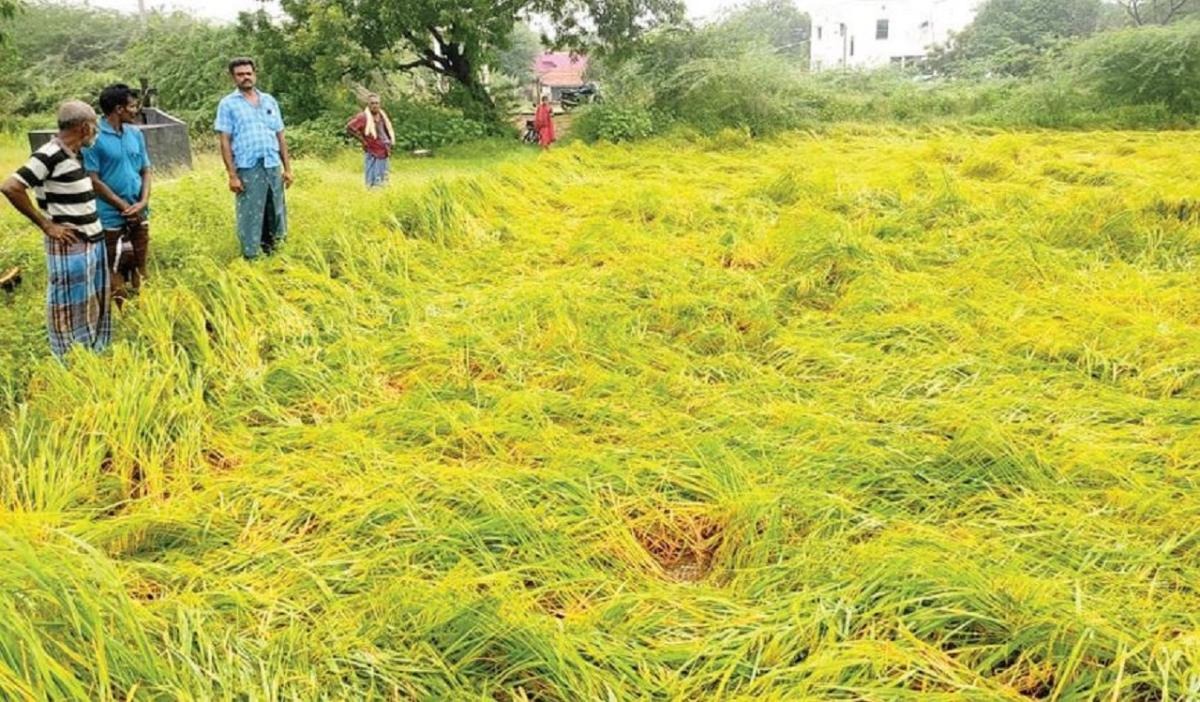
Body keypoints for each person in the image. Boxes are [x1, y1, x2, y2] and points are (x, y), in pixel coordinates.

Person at [0, 101, 110, 358]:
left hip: (91, 240)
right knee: (67, 303)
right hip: (70, 244)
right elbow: (10, 186)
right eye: (94, 126)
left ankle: (90, 353)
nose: (96, 132)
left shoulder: (74, 154)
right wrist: (47, 225)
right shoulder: (48, 154)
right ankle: (67, 357)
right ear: (85, 127)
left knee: (89, 299)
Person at [214, 57, 293, 259]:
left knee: (275, 210)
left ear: (255, 74)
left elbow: (280, 135)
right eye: (240, 74)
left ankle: (276, 252)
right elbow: (225, 140)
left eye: (248, 73)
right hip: (247, 167)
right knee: (250, 213)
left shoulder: (269, 100)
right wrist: (232, 175)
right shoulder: (228, 104)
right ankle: (252, 256)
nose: (245, 77)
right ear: (233, 78)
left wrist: (288, 169)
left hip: (272, 163)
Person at [84, 83, 151, 306]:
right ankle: (123, 312)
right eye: (132, 106)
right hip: (110, 215)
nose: (135, 110)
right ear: (118, 109)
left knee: (140, 261)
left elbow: (146, 170)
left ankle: (145, 307)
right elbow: (93, 179)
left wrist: (142, 202)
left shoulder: (135, 134)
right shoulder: (94, 139)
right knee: (114, 264)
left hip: (139, 210)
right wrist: (122, 206)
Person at [346, 94, 394, 188]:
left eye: (377, 103)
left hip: (384, 149)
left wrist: (389, 141)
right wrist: (362, 140)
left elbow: (386, 130)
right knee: (372, 177)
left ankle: (381, 190)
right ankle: (372, 191)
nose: (375, 105)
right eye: (372, 103)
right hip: (372, 150)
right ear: (368, 104)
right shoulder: (363, 117)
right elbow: (350, 127)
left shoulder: (382, 116)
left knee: (383, 176)